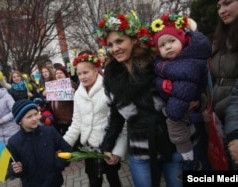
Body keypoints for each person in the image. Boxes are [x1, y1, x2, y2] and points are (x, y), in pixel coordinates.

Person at [95, 11, 180, 187]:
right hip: (139, 149)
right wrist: (107, 147)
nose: (115, 48)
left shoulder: (156, 63)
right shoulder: (111, 77)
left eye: (119, 41)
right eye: (110, 44)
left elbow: (184, 91)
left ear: (134, 39)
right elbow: (116, 116)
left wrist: (197, 103)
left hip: (172, 144)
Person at [150, 13, 212, 170]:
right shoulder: (168, 63)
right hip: (190, 113)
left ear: (183, 41)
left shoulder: (186, 63)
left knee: (176, 127)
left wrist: (171, 112)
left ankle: (189, 160)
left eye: (172, 41)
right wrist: (162, 82)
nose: (168, 46)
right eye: (162, 45)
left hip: (187, 113)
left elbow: (182, 92)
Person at [63, 52, 127, 187]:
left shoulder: (108, 88)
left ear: (96, 69)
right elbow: (76, 123)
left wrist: (117, 151)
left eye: (85, 72)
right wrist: (63, 144)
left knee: (113, 179)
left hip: (109, 146)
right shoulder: (78, 95)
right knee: (93, 181)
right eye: (79, 74)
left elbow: (121, 123)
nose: (82, 77)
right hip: (90, 148)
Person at [7, 99, 72, 187]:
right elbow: (11, 166)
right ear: (19, 121)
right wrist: (17, 170)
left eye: (36, 114)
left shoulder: (50, 132)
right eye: (29, 117)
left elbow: (67, 149)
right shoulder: (13, 142)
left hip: (54, 182)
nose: (34, 118)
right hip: (31, 183)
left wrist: (58, 165)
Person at [209, 0, 238, 124]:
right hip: (215, 115)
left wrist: (218, 109)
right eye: (219, 6)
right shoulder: (219, 39)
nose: (221, 11)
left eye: (227, 3)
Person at [50, 66, 77, 135]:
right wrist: (45, 94)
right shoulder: (52, 85)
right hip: (57, 119)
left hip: (67, 119)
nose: (58, 75)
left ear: (65, 75)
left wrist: (73, 91)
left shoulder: (70, 84)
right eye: (57, 73)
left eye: (61, 73)